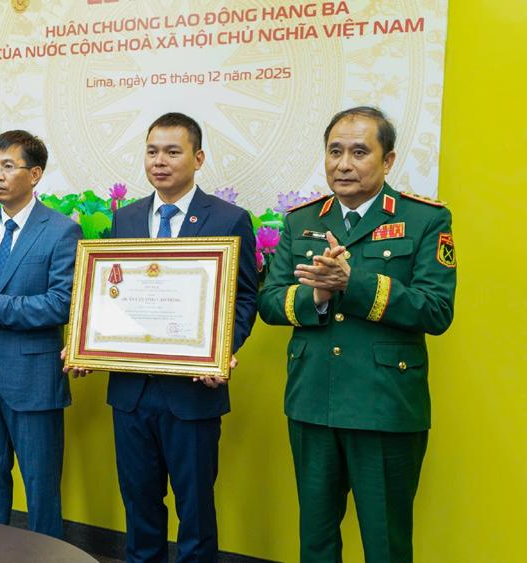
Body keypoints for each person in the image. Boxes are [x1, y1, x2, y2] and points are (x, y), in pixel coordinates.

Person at [259, 106, 456, 563]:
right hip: (312, 401)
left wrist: (355, 284)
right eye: (335, 151)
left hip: (384, 405)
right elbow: (270, 302)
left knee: (385, 544)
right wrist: (318, 296)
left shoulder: (424, 220)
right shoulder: (300, 220)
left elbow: (436, 309)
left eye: (359, 152)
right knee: (316, 541)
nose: (344, 164)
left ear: (388, 161)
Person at [69, 112, 259, 561]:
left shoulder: (229, 219)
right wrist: (86, 343)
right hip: (131, 393)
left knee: (195, 511)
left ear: (198, 158)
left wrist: (221, 350)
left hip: (193, 393)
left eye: (173, 152)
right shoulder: (127, 218)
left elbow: (245, 298)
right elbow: (112, 293)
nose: (160, 161)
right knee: (139, 506)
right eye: (152, 151)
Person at [0, 130, 82, 538]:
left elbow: (62, 303)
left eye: (8, 166)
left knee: (41, 489)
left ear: (35, 174)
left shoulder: (61, 230)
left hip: (35, 380)